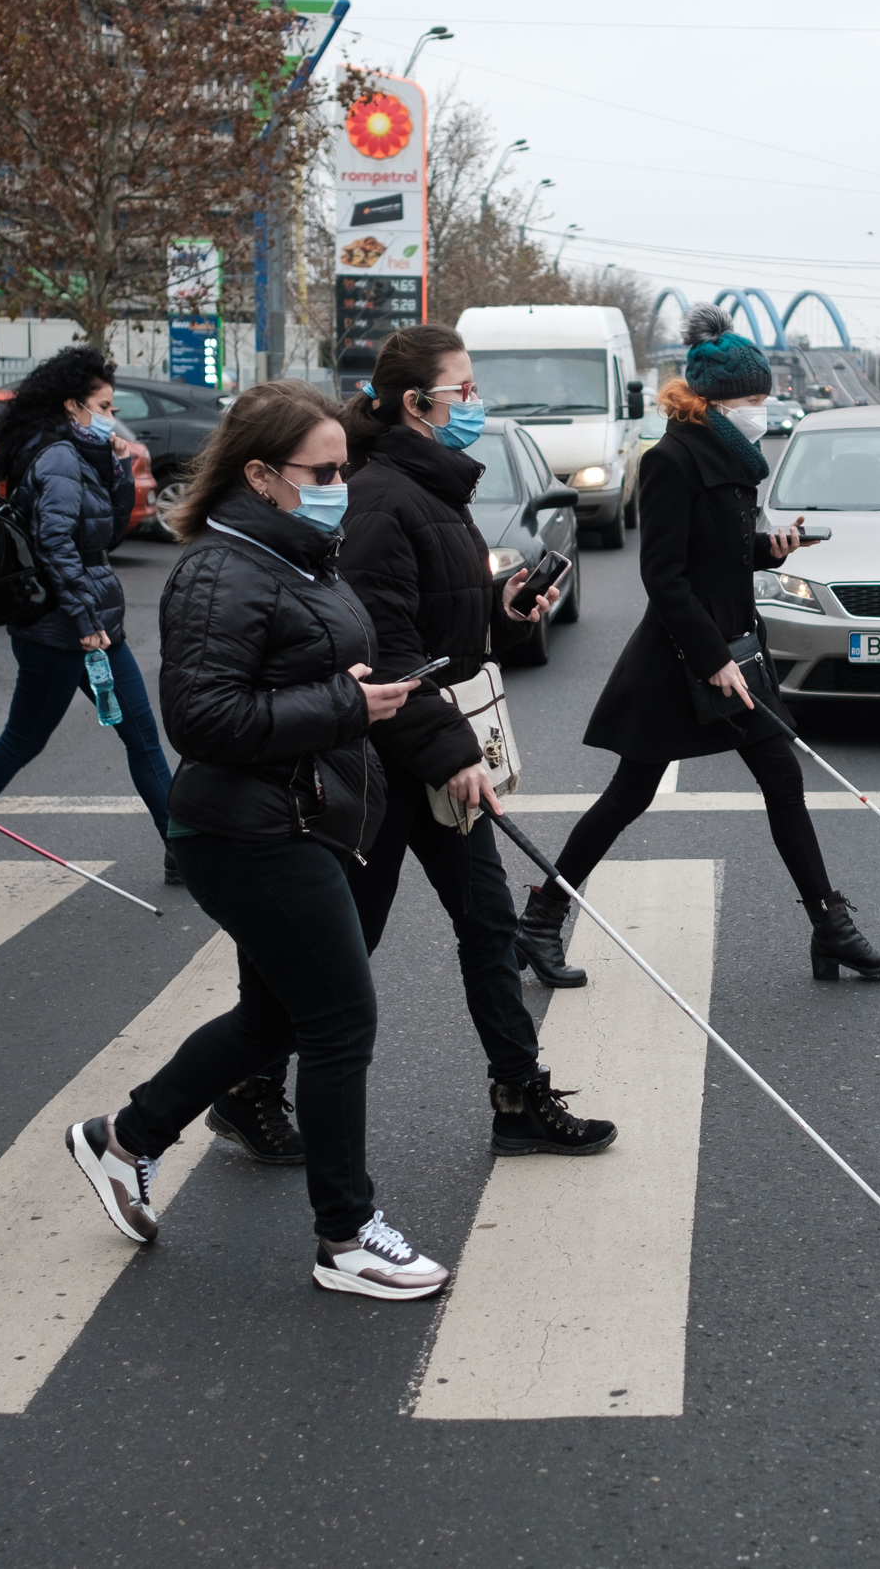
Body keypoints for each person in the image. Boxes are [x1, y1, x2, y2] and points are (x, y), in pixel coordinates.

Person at [65, 378, 450, 1301]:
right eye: (322, 471)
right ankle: (347, 1235)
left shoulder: (294, 555)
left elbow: (302, 668)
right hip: (247, 828)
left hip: (297, 812)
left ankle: (124, 1138)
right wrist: (345, 702)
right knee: (340, 1020)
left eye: (342, 468)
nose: (339, 484)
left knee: (280, 1016)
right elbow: (202, 718)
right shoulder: (218, 570)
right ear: (261, 474)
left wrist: (358, 690)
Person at [235, 321, 611, 1162]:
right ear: (416, 402)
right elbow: (384, 650)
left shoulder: (431, 485)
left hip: (428, 742)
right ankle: (250, 1083)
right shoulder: (378, 498)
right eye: (463, 391)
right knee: (343, 945)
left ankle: (518, 1094)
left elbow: (438, 617)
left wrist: (500, 610)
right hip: (384, 762)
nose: (476, 404)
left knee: (485, 922)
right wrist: (452, 754)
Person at [518, 304, 880, 984]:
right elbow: (663, 576)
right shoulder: (672, 458)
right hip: (683, 658)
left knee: (782, 778)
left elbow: (720, 554)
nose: (766, 407)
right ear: (722, 400)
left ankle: (830, 926)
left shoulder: (732, 457)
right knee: (628, 795)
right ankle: (542, 919)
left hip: (732, 647)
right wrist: (711, 657)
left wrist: (771, 549)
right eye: (757, 397)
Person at [0, 346, 178, 895]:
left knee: (142, 740)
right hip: (62, 630)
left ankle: (184, 850)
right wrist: (81, 619)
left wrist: (118, 462)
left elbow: (106, 532)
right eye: (102, 407)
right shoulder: (55, 457)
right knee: (22, 742)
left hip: (90, 622)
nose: (110, 417)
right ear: (72, 406)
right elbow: (56, 543)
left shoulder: (77, 453)